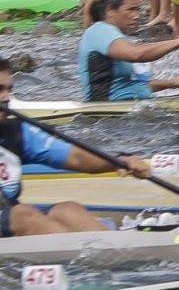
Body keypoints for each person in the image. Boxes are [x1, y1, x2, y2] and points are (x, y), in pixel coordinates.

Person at [0, 55, 151, 238]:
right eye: (0, 90)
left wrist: (120, 161)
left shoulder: (17, 133)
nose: (6, 98)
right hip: (15, 217)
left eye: (9, 89)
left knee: (69, 210)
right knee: (23, 215)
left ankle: (110, 257)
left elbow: (76, 157)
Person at [79, 0, 179, 101]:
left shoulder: (115, 36)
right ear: (109, 9)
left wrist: (171, 83)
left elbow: (128, 85)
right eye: (131, 9)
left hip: (128, 105)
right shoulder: (99, 31)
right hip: (106, 110)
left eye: (138, 10)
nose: (137, 16)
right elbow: (137, 54)